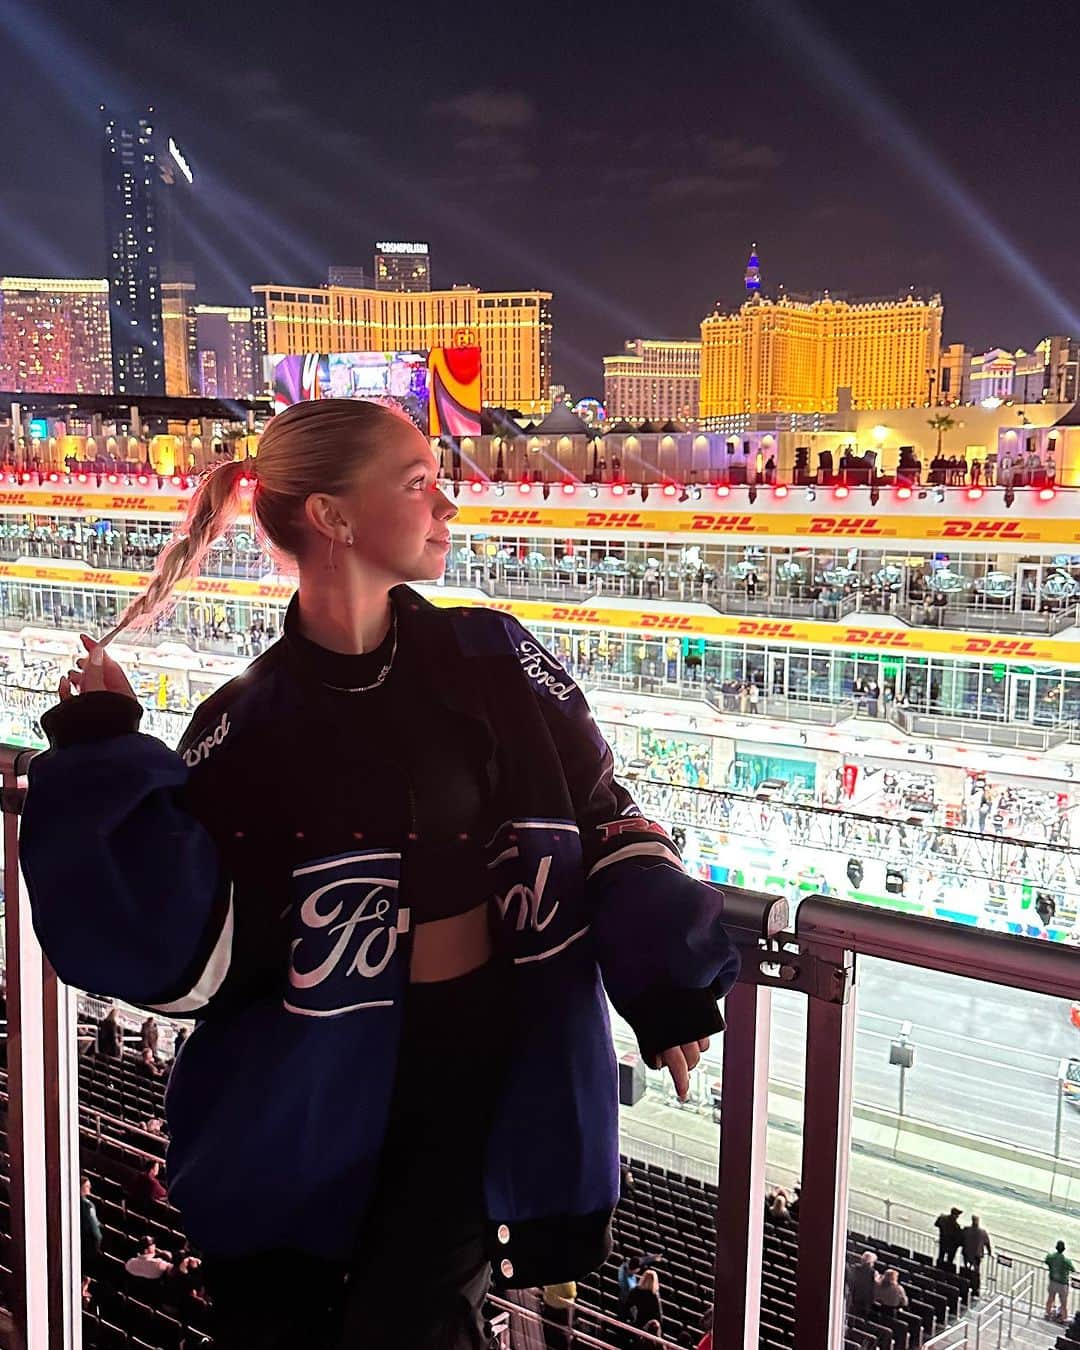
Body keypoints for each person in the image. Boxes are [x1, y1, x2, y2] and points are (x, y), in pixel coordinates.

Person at [20, 399, 739, 1350]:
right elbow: (169, 952)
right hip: (295, 1110)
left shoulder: (494, 657)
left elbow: (602, 810)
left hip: (466, 1081)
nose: (448, 505)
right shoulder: (243, 722)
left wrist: (667, 968)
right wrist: (104, 745)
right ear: (332, 517)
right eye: (417, 484)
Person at [80, 1176, 102, 1305]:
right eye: (87, 1186)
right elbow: (95, 1231)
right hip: (89, 1244)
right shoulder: (87, 1205)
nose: (90, 1188)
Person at [625, 1269, 662, 1337]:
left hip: (637, 1323)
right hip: (648, 1328)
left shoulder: (635, 1291)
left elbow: (626, 1306)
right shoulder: (654, 1296)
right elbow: (659, 1315)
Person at [961, 1215, 992, 1295]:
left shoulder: (966, 1229)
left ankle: (966, 1286)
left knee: (966, 1270)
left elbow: (961, 1239)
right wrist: (990, 1252)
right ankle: (975, 1289)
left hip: (967, 1253)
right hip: (976, 1255)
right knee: (976, 1272)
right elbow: (987, 1243)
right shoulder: (982, 1232)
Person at [1045, 1240, 1074, 1322]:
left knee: (1050, 1298)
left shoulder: (1051, 1257)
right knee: (1063, 1302)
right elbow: (1073, 1269)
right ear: (1064, 1249)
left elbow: (1047, 1260)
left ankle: (1047, 1313)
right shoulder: (1066, 1261)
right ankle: (1063, 1318)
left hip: (1053, 1281)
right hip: (1063, 1283)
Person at [541, 1280, 576, 1349]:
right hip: (561, 1311)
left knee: (549, 1334)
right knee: (560, 1338)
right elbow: (571, 1297)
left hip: (548, 1307)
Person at [849, 1251, 878, 1315]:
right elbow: (876, 1285)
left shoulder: (855, 1268)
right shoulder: (873, 1272)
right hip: (866, 1297)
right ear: (871, 1262)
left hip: (856, 1294)